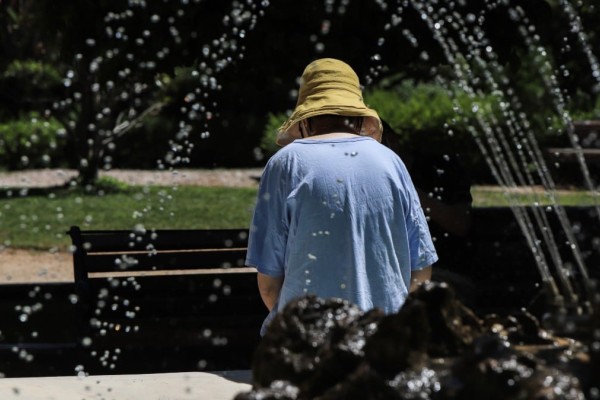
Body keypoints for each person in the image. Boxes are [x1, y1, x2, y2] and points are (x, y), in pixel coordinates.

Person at [245, 58, 438, 335]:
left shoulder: (286, 163)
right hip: (382, 342)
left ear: (306, 118)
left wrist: (303, 330)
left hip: (309, 343)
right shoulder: (390, 161)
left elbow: (268, 281)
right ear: (359, 115)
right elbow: (421, 268)